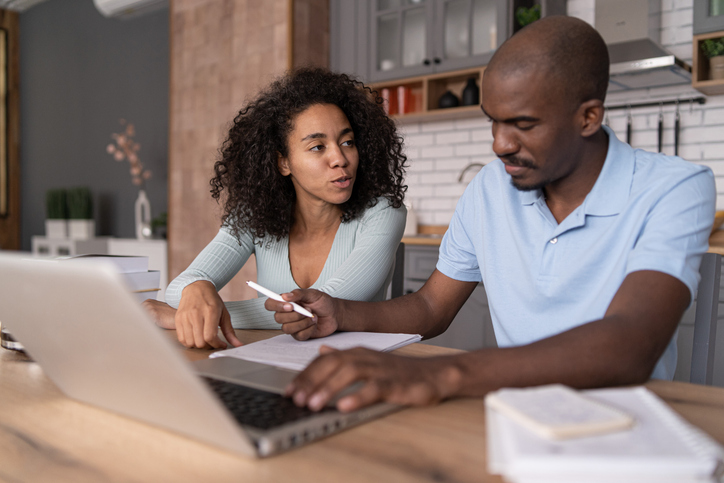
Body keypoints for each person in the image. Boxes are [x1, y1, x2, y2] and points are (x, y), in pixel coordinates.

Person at [266, 16, 717, 413]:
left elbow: (629, 343)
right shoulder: (489, 189)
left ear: (588, 118)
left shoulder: (674, 188)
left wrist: (441, 375)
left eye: (522, 124)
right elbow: (430, 307)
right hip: (517, 410)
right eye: (493, 122)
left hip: (626, 422)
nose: (500, 144)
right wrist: (339, 313)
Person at [144, 68, 407, 350]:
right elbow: (177, 292)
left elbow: (321, 308)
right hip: (280, 362)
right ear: (283, 163)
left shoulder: (384, 212)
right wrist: (197, 289)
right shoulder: (255, 216)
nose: (340, 158)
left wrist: (201, 315)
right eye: (318, 147)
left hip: (357, 368)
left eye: (347, 142)